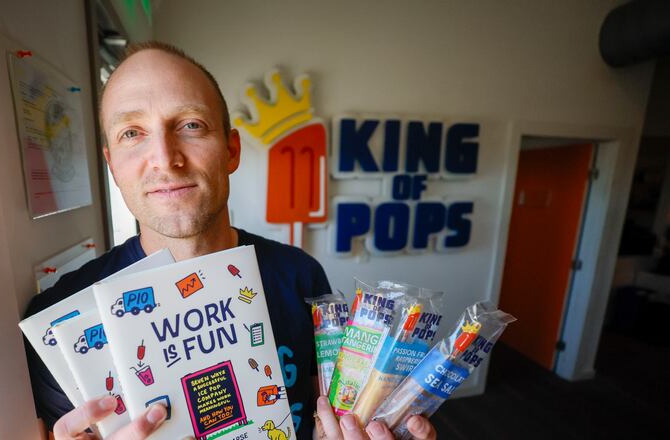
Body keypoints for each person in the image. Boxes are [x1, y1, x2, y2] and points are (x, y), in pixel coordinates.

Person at [23, 41, 436, 440]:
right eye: (132, 133)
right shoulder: (61, 321)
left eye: (190, 125)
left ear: (231, 150)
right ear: (112, 165)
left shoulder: (299, 273)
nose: (165, 158)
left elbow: (324, 410)